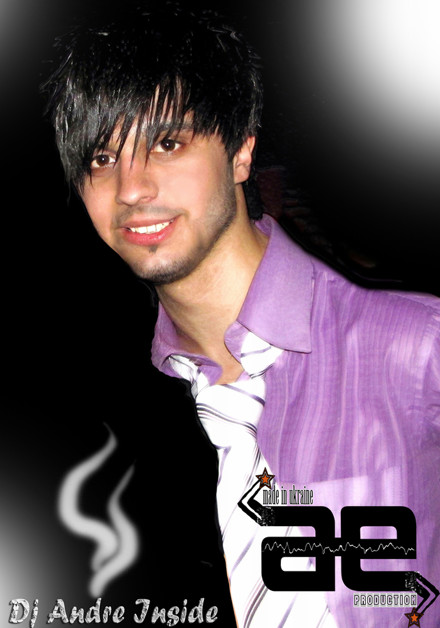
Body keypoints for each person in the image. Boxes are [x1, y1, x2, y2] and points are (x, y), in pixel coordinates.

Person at [42, 3, 440, 626]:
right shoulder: (99, 418)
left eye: (166, 143)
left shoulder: (415, 346)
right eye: (101, 157)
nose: (131, 188)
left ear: (240, 152)